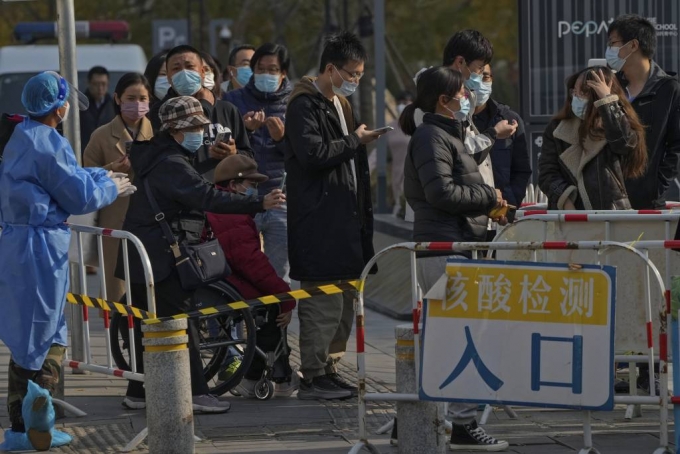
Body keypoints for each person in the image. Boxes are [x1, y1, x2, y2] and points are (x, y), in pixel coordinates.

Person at [115, 96, 285, 413]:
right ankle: (194, 392)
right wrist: (257, 204)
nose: (199, 133)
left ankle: (138, 392)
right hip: (162, 256)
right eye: (193, 127)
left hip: (141, 252)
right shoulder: (172, 163)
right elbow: (206, 196)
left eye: (200, 126)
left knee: (146, 325)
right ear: (175, 131)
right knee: (182, 323)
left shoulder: (156, 156)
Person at [0, 71, 132, 449]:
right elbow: (76, 197)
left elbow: (65, 179)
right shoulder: (50, 143)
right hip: (40, 248)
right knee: (47, 336)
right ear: (60, 107)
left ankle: (19, 428)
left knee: (26, 337)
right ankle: (37, 422)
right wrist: (110, 186)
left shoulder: (21, 135)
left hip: (16, 243)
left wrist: (102, 173)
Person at [401, 66, 509, 452]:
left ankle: (413, 417)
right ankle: (461, 424)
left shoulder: (446, 134)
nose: (468, 97)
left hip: (458, 244)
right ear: (443, 100)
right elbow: (442, 194)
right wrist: (489, 198)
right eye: (462, 92)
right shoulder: (432, 136)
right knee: (464, 338)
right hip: (447, 247)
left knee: (448, 337)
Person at [285, 31, 386, 400]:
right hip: (318, 220)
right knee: (322, 302)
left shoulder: (340, 105)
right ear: (331, 68)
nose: (356, 81)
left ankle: (329, 367)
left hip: (346, 219)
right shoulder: (303, 105)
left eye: (360, 74)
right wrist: (354, 142)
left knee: (345, 303)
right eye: (352, 74)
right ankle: (313, 373)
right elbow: (312, 154)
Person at [207, 155, 297, 398]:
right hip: (225, 284)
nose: (255, 190)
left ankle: (281, 373)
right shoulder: (232, 215)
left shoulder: (221, 206)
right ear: (234, 186)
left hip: (221, 278)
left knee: (270, 297)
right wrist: (286, 296)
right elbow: (252, 264)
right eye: (251, 185)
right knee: (273, 306)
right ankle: (265, 377)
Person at [223, 43, 292, 283]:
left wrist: (281, 140)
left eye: (272, 70)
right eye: (260, 69)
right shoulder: (232, 100)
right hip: (243, 197)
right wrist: (247, 132)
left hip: (280, 200)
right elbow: (225, 153)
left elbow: (302, 155)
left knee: (277, 272)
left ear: (283, 72)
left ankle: (276, 318)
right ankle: (244, 319)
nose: (266, 75)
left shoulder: (295, 102)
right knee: (240, 268)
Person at [83, 73, 154, 302]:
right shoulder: (101, 135)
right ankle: (118, 333)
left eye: (142, 98)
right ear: (117, 98)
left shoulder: (158, 133)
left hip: (152, 218)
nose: (137, 104)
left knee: (150, 281)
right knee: (117, 286)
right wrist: (111, 169)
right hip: (114, 219)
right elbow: (85, 178)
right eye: (130, 97)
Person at [539, 67, 647, 210]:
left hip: (610, 217)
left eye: (584, 92)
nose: (576, 97)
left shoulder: (618, 125)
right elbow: (547, 173)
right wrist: (565, 200)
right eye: (574, 91)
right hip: (566, 218)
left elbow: (624, 144)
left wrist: (607, 102)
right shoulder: (556, 129)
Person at [149, 44, 253, 180]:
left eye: (189, 66)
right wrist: (204, 105)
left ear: (203, 72)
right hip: (181, 191)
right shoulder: (161, 111)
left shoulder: (228, 110)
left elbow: (248, 157)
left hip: (222, 194)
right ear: (169, 77)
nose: (184, 73)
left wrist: (233, 153)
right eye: (176, 69)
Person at [607, 14, 680, 209]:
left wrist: (657, 186)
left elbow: (676, 147)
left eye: (613, 43)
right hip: (607, 200)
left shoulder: (669, 89)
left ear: (633, 45)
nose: (609, 51)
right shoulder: (610, 87)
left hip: (649, 202)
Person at [472, 64, 532, 212]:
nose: (481, 82)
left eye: (485, 76)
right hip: (468, 215)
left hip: (501, 216)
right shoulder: (456, 119)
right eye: (475, 77)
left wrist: (510, 204)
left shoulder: (509, 119)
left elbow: (521, 170)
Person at [80, 66, 116, 150]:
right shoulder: (79, 106)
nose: (100, 88)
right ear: (88, 83)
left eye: (103, 84)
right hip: (84, 154)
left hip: (107, 154)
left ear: (108, 84)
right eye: (96, 84)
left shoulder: (114, 106)